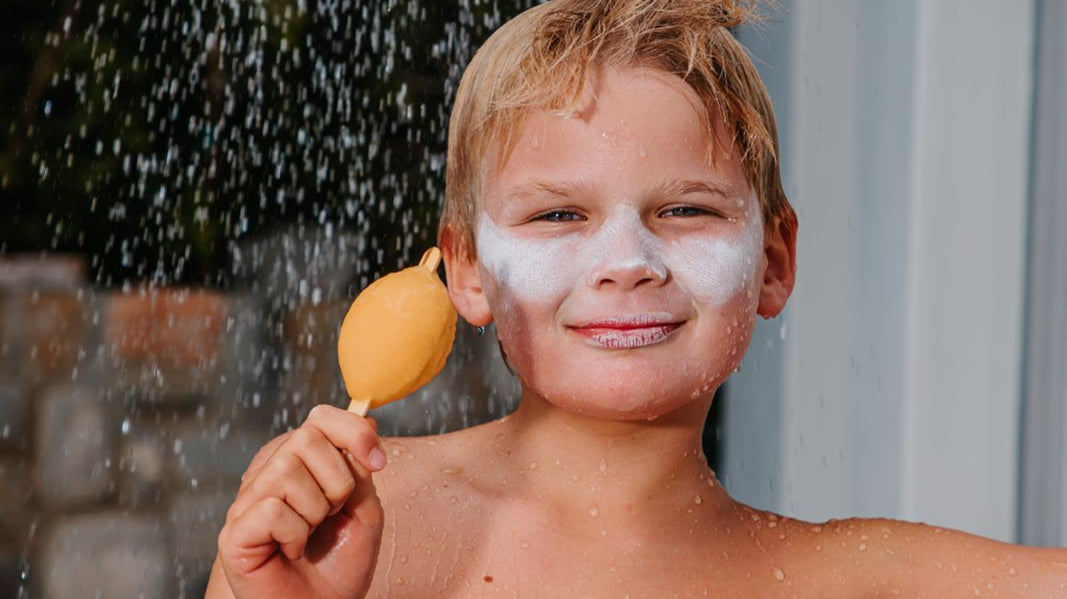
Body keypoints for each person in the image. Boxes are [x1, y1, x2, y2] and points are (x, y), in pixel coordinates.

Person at [206, 0, 1067, 597]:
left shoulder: (862, 580)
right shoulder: (340, 526)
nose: (626, 261)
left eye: (685, 209)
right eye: (557, 214)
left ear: (773, 258)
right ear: (466, 268)